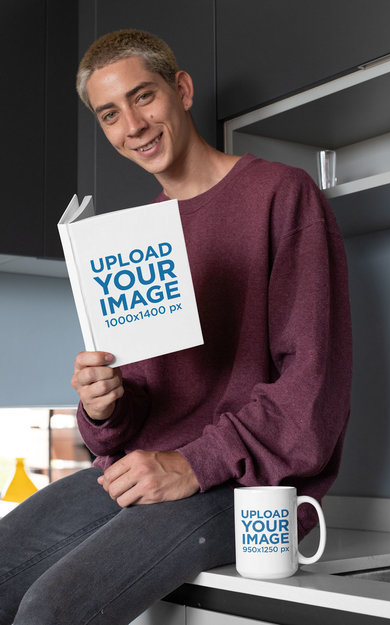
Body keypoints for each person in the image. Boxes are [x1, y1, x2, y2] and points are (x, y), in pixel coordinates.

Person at [0, 29, 352, 625]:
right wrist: (104, 409)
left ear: (181, 90)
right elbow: (133, 418)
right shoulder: (133, 234)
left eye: (143, 96)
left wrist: (194, 463)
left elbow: (312, 391)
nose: (132, 125)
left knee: (51, 609)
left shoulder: (281, 194)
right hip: (139, 470)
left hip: (242, 488)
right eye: (110, 113)